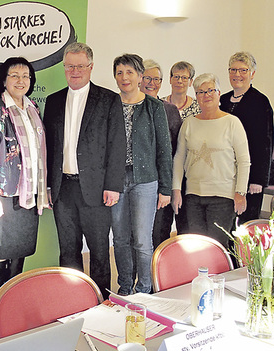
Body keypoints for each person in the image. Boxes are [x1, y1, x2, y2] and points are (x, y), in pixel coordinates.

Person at [44, 42, 126, 298]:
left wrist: (113, 185)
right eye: (70, 66)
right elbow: (49, 146)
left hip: (97, 188)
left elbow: (117, 144)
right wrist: (47, 185)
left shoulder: (109, 99)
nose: (74, 71)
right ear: (64, 68)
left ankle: (101, 299)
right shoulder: (53, 100)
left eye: (80, 66)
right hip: (62, 189)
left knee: (99, 249)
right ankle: (73, 298)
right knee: (67, 249)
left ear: (90, 67)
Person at [0, 57, 49, 299]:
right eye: (15, 75)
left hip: (28, 193)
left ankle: (13, 302)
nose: (21, 81)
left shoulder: (33, 109)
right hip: (3, 193)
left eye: (25, 76)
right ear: (4, 80)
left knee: (20, 250)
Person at [111, 54, 172, 294]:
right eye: (119, 72)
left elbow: (164, 149)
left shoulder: (154, 106)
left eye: (129, 72)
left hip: (145, 180)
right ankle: (125, 287)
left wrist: (165, 189)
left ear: (139, 76)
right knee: (119, 238)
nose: (124, 77)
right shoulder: (110, 104)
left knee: (142, 241)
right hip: (116, 179)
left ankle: (144, 289)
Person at [171, 73, 251, 248]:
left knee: (217, 247)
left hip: (223, 197)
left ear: (219, 93)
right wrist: (176, 189)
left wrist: (240, 192)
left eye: (210, 90)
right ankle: (200, 276)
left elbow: (244, 161)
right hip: (193, 196)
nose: (206, 95)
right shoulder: (189, 123)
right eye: (200, 92)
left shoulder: (232, 123)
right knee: (197, 246)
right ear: (196, 96)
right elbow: (179, 159)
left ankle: (217, 277)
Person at [220, 52, 274, 222]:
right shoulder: (222, 100)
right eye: (233, 70)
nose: (237, 75)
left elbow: (265, 143)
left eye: (243, 70)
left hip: (250, 178)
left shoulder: (260, 102)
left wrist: (258, 179)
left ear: (252, 73)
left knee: (245, 225)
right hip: (225, 175)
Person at [140, 59, 187, 246]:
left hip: (162, 186)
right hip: (136, 186)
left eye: (157, 79)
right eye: (147, 78)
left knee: (159, 234)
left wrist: (171, 187)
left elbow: (177, 151)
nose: (152, 83)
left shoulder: (170, 110)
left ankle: (157, 274)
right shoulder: (125, 106)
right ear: (139, 79)